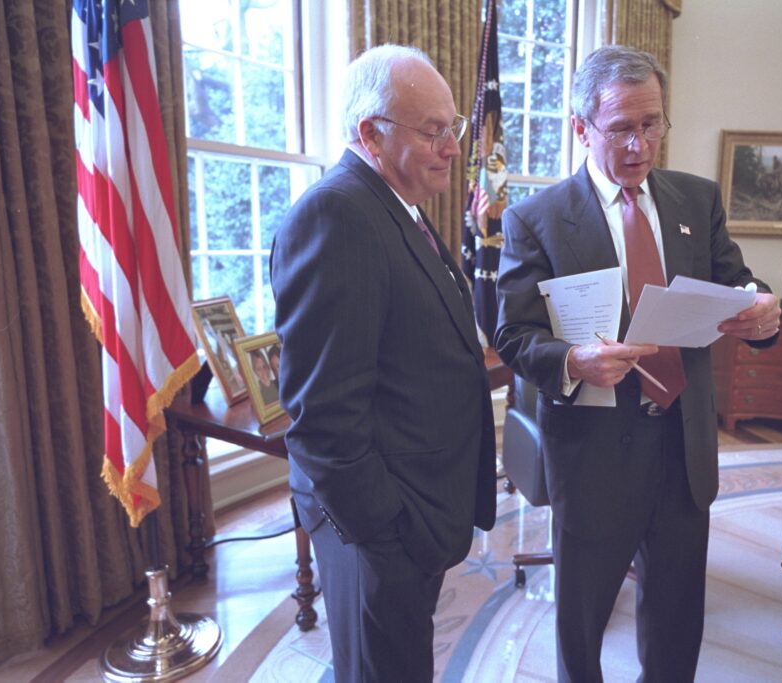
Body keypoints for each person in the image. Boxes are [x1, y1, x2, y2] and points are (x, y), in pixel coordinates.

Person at [495, 45, 781, 682]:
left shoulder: (696, 201)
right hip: (594, 456)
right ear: (581, 128)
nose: (640, 145)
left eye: (652, 124)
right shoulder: (536, 220)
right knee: (583, 629)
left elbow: (738, 284)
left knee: (677, 623)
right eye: (621, 128)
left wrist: (762, 308)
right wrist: (573, 361)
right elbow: (513, 333)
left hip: (684, 446)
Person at [270, 44, 496, 682]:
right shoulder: (336, 214)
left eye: (452, 128)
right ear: (370, 133)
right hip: (379, 532)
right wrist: (387, 535)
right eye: (433, 131)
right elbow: (323, 417)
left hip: (417, 508)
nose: (452, 148)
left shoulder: (398, 206)